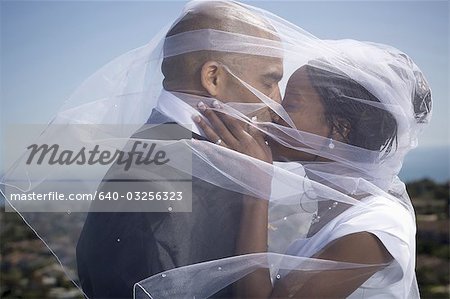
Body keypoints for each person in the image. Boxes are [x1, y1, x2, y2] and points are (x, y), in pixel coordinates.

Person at [75, 1, 283, 298]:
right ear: (213, 78)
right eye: (270, 82)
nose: (278, 105)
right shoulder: (152, 181)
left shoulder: (194, 152)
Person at [193, 41, 432, 298]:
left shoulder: (379, 224)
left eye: (291, 106)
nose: (274, 113)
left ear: (340, 129)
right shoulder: (332, 206)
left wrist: (257, 190)